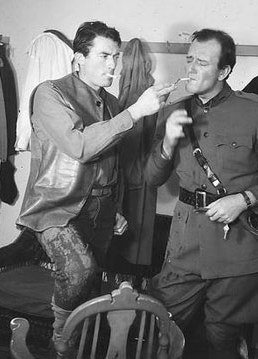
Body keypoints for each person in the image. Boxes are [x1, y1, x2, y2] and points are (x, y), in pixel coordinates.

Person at [16, 21, 174, 352]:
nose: (113, 65)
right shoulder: (50, 93)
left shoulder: (112, 103)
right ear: (78, 58)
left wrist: (114, 208)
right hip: (54, 207)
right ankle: (61, 336)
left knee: (90, 286)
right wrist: (134, 112)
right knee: (79, 269)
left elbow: (110, 162)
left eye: (115, 56)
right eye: (104, 56)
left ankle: (77, 347)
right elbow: (81, 147)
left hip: (100, 209)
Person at [145, 28, 258, 359]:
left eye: (201, 62)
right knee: (163, 326)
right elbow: (151, 177)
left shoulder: (257, 112)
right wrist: (167, 144)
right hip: (185, 241)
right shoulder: (173, 109)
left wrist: (244, 199)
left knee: (222, 337)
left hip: (239, 246)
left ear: (225, 71)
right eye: (189, 59)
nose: (190, 69)